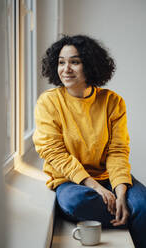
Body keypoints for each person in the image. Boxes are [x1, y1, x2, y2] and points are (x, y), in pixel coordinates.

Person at [33, 35, 146, 248]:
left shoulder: (113, 101)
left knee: (144, 204)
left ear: (90, 65)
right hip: (71, 181)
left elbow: (117, 150)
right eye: (61, 62)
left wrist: (119, 191)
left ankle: (125, 211)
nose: (66, 69)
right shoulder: (48, 102)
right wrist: (95, 187)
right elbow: (53, 152)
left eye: (75, 62)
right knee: (77, 203)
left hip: (109, 177)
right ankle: (133, 219)